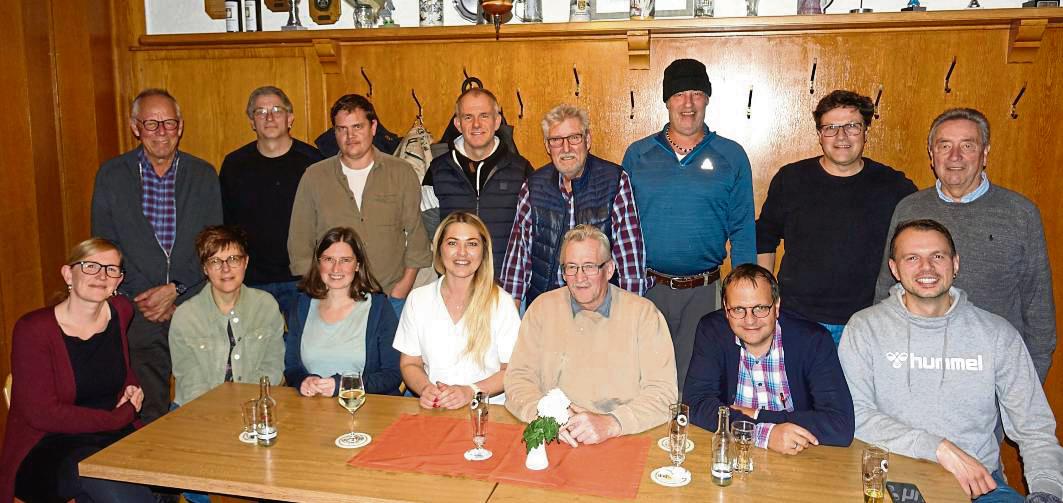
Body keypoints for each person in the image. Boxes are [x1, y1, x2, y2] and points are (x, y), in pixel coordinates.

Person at [841, 219, 1063, 502]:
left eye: (937, 256)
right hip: (891, 479)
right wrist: (939, 448)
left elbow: (1035, 428)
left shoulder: (997, 334)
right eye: (912, 258)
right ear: (894, 269)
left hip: (979, 486)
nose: (926, 268)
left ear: (955, 264)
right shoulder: (865, 328)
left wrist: (1047, 490)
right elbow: (856, 415)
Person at [874, 108, 1055, 383]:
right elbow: (886, 291)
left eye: (967, 146)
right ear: (931, 154)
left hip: (993, 373)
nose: (955, 156)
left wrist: (1026, 383)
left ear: (985, 153)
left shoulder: (1020, 213)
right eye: (944, 146)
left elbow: (1038, 306)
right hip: (918, 368)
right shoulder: (909, 209)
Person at [621, 58, 755, 396]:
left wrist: (745, 292)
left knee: (696, 388)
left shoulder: (732, 156)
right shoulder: (638, 155)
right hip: (647, 289)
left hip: (705, 293)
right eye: (680, 94)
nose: (688, 103)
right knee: (644, 383)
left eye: (697, 93)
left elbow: (742, 229)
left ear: (707, 99)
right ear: (667, 101)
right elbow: (621, 225)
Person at [91, 88, 223, 422]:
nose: (161, 131)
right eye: (151, 123)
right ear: (135, 127)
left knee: (205, 406)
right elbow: (105, 245)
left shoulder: (203, 174)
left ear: (180, 126)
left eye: (169, 123)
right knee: (147, 411)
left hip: (193, 305)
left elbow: (212, 243)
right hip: (138, 311)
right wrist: (147, 296)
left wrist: (175, 288)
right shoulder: (112, 175)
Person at [756, 90, 916, 345]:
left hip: (868, 321)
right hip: (798, 318)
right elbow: (765, 237)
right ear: (820, 135)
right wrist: (764, 297)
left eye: (852, 126)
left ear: (865, 131)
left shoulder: (894, 186)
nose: (841, 136)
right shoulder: (791, 179)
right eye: (830, 128)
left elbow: (917, 246)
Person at [0, 238, 154, 503]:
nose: (101, 276)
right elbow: (42, 414)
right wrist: (118, 417)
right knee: (106, 478)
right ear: (68, 274)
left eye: (111, 269)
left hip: (111, 435)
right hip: (49, 444)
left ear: (118, 281)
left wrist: (131, 387)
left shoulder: (120, 311)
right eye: (90, 266)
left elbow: (119, 363)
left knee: (169, 464)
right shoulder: (33, 329)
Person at [504, 225, 677, 446]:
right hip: (554, 435)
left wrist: (613, 423)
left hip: (623, 438)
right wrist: (546, 416)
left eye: (589, 267)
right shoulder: (542, 309)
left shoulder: (643, 315)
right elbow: (518, 379)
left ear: (609, 269)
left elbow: (663, 394)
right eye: (571, 267)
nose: (580, 278)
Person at [684, 264, 854, 455]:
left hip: (797, 455)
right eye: (738, 309)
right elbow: (695, 404)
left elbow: (841, 425)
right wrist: (763, 434)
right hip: (734, 450)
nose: (750, 320)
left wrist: (757, 414)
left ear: (777, 306)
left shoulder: (814, 341)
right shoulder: (712, 331)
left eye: (760, 308)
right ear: (726, 308)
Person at [288, 94, 431, 317]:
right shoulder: (314, 177)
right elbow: (300, 241)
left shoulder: (401, 172)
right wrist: (320, 291)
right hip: (333, 299)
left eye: (357, 127)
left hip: (389, 297)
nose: (350, 136)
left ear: (373, 127)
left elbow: (416, 236)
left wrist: (401, 289)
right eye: (342, 129)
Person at [500, 104, 648, 308]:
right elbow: (517, 265)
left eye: (574, 138)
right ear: (547, 146)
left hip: (601, 308)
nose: (566, 148)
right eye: (556, 140)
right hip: (548, 307)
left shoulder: (614, 182)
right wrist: (510, 316)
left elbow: (630, 265)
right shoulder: (533, 187)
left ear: (588, 140)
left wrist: (628, 317)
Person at [393, 212, 520, 408]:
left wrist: (471, 391)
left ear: (484, 251)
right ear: (439, 249)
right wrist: (426, 389)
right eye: (452, 243)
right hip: (436, 410)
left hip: (487, 411)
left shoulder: (501, 302)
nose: (462, 252)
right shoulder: (418, 300)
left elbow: (512, 370)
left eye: (472, 244)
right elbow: (410, 363)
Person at [220, 86, 323, 320]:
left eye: (277, 110)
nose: (269, 117)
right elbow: (226, 224)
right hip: (252, 280)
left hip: (303, 279)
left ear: (290, 118)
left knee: (302, 343)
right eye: (260, 112)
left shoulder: (314, 163)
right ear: (251, 121)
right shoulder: (235, 165)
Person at [169, 226, 284, 406]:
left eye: (233, 259)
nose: (226, 269)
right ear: (205, 268)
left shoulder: (266, 306)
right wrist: (222, 413)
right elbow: (190, 381)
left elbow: (272, 366)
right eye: (215, 261)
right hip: (198, 408)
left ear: (246, 262)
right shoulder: (186, 316)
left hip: (253, 405)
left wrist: (246, 405)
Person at [422, 87, 533, 275]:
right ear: (458, 124)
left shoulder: (521, 170)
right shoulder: (437, 171)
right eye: (468, 117)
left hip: (505, 284)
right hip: (456, 282)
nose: (476, 124)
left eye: (484, 116)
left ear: (497, 121)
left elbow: (530, 234)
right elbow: (431, 230)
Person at [284, 227, 402, 396]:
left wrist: (345, 385)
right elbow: (292, 368)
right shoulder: (301, 305)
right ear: (318, 263)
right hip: (313, 405)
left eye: (345, 260)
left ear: (357, 265)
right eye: (329, 259)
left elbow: (392, 375)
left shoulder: (379, 308)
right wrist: (303, 381)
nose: (336, 268)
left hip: (364, 405)